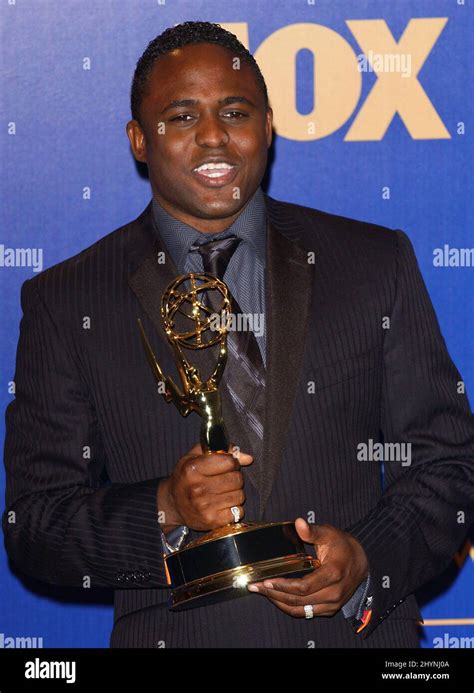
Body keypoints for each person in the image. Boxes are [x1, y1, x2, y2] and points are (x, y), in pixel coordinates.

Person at [3, 21, 473, 649]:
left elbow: (449, 465)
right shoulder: (67, 301)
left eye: (234, 111)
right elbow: (35, 524)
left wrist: (365, 560)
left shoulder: (372, 263)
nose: (214, 136)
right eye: (180, 116)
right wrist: (164, 507)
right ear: (139, 141)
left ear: (269, 126)